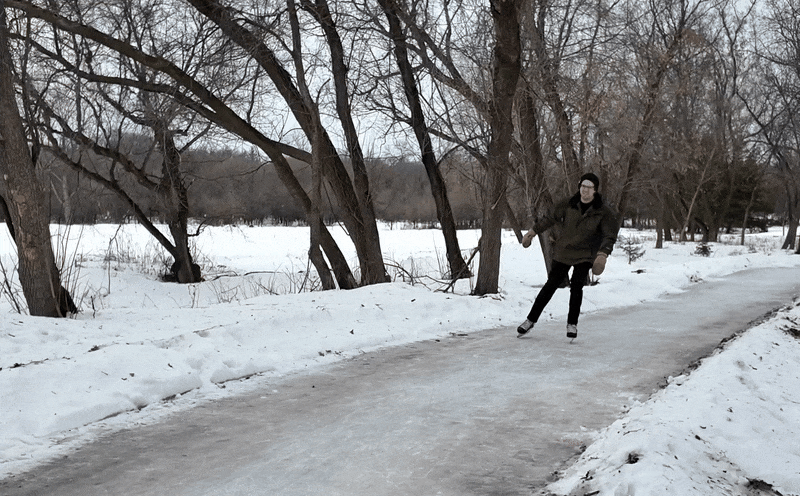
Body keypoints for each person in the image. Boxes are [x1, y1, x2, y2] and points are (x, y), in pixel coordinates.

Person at [517, 173, 619, 340]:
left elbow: (610, 235)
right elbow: (549, 218)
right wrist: (533, 232)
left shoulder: (603, 212)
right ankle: (530, 320)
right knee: (550, 285)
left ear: (595, 190)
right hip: (564, 251)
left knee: (577, 286)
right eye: (583, 186)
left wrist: (603, 254)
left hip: (586, 253)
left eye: (589, 187)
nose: (585, 190)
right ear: (579, 187)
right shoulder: (568, 204)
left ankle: (572, 324)